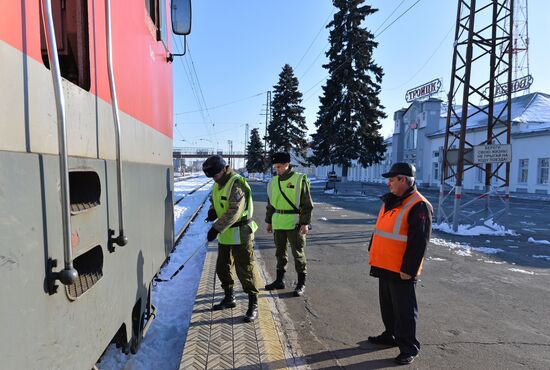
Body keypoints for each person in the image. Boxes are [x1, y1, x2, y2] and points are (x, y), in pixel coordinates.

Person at [367, 162, 433, 365]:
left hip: (401, 268)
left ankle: (408, 347)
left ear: (403, 180)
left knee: (404, 309)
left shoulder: (418, 204)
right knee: (387, 305)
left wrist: (409, 269)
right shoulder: (392, 200)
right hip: (384, 262)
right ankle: (391, 335)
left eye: (392, 179)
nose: (389, 183)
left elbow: (419, 241)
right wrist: (373, 248)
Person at [203, 155, 261, 322]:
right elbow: (215, 199)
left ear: (223, 169)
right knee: (223, 268)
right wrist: (212, 210)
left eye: (216, 175)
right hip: (226, 235)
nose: (214, 179)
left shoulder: (236, 183)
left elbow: (234, 212)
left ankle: (253, 303)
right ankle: (229, 298)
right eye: (212, 177)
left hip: (241, 234)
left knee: (245, 270)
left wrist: (216, 228)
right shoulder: (218, 182)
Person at [264, 152, 313, 297]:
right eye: (275, 167)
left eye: (279, 166)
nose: (277, 169)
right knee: (280, 253)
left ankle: (301, 283)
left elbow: (307, 204)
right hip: (278, 223)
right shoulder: (273, 182)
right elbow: (270, 204)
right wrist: (269, 221)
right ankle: (279, 281)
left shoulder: (298, 179)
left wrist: (305, 223)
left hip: (295, 223)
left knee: (298, 254)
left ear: (287, 165)